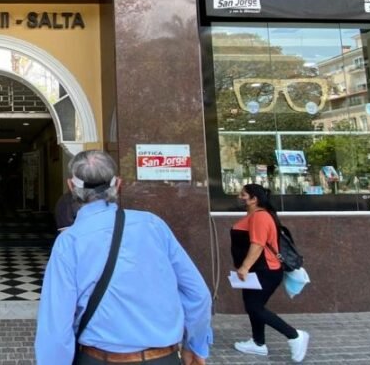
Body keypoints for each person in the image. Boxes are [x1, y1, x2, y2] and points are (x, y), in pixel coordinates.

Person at [35, 150, 212, 365]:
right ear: (118, 184)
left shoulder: (69, 242)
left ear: (71, 186)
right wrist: (196, 344)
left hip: (98, 359)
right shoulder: (153, 225)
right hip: (163, 358)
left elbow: (56, 324)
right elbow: (198, 294)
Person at [231, 183, 309, 362]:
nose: (239, 197)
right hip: (257, 271)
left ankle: (295, 335)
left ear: (254, 199)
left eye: (243, 195)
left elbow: (257, 244)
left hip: (265, 270)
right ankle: (258, 343)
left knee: (254, 307)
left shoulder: (260, 216)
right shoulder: (255, 215)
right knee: (253, 307)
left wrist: (245, 267)